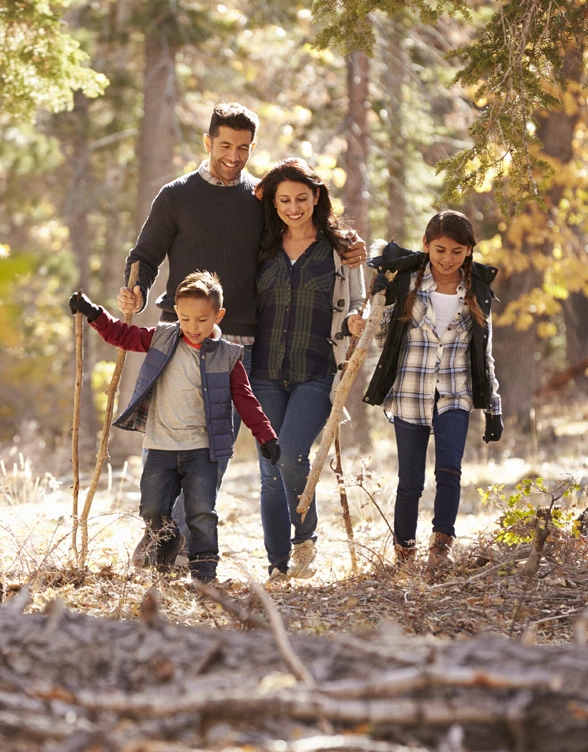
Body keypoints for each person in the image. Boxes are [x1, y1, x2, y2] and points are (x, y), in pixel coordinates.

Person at [115, 102, 366, 548]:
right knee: (174, 441)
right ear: (208, 142)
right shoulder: (175, 195)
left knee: (216, 449)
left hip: (240, 343)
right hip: (179, 336)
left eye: (244, 147)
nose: (234, 155)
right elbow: (145, 256)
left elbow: (301, 228)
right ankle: (161, 531)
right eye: (225, 145)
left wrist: (347, 243)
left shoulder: (259, 199)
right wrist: (134, 287)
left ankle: (175, 543)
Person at [69, 271, 280, 583]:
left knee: (201, 513)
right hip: (160, 446)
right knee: (152, 509)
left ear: (218, 315)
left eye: (202, 320)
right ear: (177, 314)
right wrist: (94, 313)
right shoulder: (163, 338)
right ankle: (167, 541)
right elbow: (123, 336)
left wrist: (265, 435)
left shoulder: (227, 355)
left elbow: (245, 398)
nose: (193, 327)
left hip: (202, 450)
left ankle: (204, 571)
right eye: (185, 319)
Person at [363, 210, 503, 568]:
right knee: (410, 481)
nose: (447, 258)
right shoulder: (407, 282)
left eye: (457, 251)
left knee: (449, 470)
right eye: (440, 249)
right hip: (410, 392)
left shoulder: (477, 290)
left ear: (469, 250)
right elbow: (380, 339)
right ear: (426, 245)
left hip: (455, 393)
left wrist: (493, 407)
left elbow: (483, 352)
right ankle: (404, 552)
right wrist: (381, 300)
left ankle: (441, 547)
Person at [250, 158, 366, 584]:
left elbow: (359, 301)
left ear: (316, 197)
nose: (294, 207)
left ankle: (304, 536)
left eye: (302, 198)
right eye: (284, 200)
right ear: (274, 203)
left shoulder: (341, 249)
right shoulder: (261, 244)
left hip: (317, 370)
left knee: (292, 453)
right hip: (263, 371)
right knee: (268, 469)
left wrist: (357, 319)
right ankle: (277, 564)